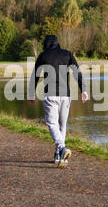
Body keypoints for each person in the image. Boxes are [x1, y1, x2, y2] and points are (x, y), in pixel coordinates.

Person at [28, 35, 88, 168]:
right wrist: (83, 90)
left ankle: (61, 148)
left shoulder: (43, 55)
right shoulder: (67, 54)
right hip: (65, 96)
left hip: (51, 96)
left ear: (46, 44)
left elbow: (35, 75)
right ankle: (58, 155)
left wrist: (31, 93)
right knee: (62, 125)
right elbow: (77, 72)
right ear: (57, 43)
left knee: (51, 123)